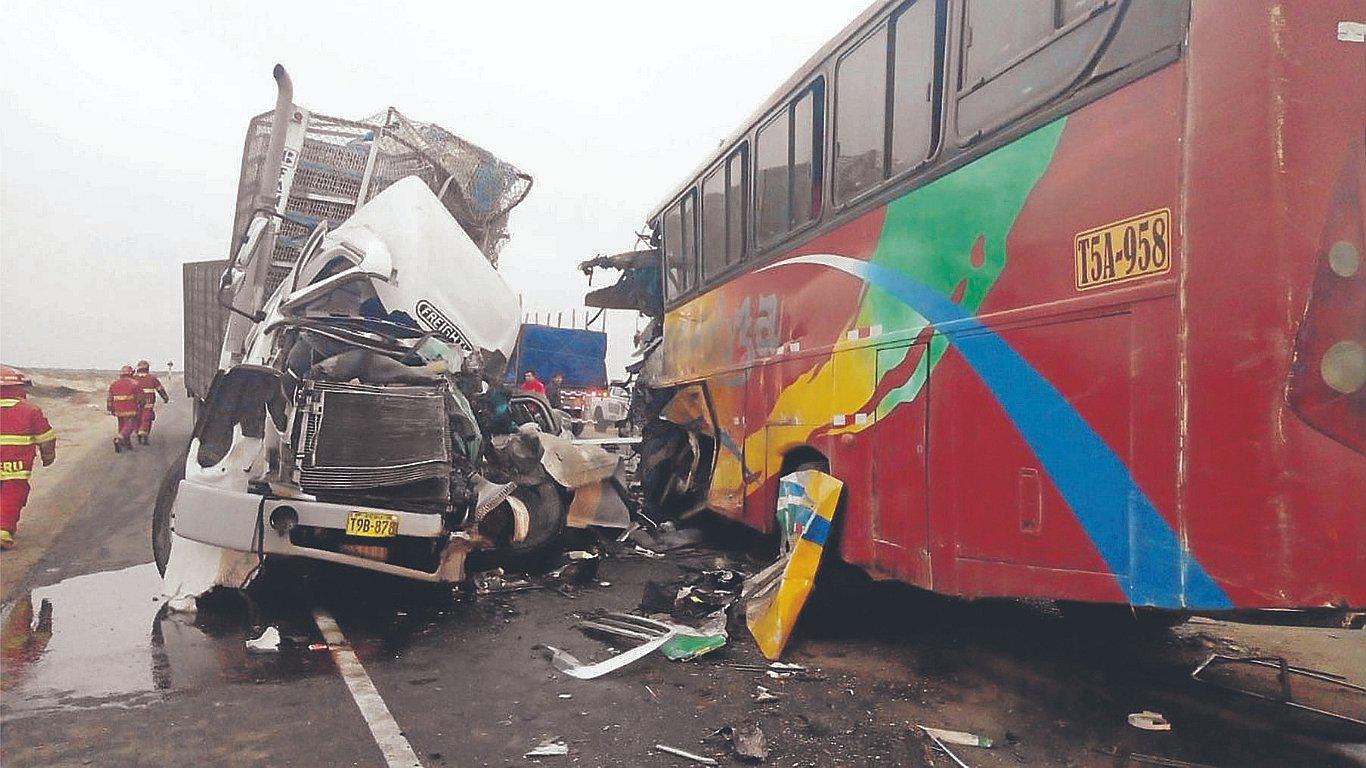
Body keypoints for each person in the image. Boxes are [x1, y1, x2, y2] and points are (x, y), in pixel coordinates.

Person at [0, 366, 57, 550]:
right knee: (13, 495)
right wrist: (48, 456)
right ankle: (3, 532)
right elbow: (46, 437)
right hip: (16, 466)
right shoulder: (30, 410)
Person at [132, 360, 169, 444]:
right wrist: (165, 397)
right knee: (147, 418)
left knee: (137, 418)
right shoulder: (152, 378)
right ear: (147, 368)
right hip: (148, 402)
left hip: (135, 402)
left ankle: (138, 432)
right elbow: (160, 389)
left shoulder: (133, 378)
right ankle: (144, 433)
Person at [107, 366, 141, 453]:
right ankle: (119, 438)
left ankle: (127, 444)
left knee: (122, 425)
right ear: (131, 373)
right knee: (130, 425)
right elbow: (141, 398)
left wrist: (110, 409)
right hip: (131, 408)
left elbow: (109, 398)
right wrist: (142, 405)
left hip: (118, 409)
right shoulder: (135, 383)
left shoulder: (114, 384)